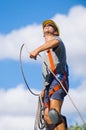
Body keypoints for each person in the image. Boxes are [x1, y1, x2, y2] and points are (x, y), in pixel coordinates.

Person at [29, 19, 69, 130]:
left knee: (54, 114)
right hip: (48, 84)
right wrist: (44, 88)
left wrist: (36, 50)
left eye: (50, 25)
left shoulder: (57, 41)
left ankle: (60, 121)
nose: (47, 26)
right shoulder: (46, 51)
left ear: (55, 32)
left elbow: (55, 43)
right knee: (47, 117)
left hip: (59, 79)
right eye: (45, 26)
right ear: (43, 33)